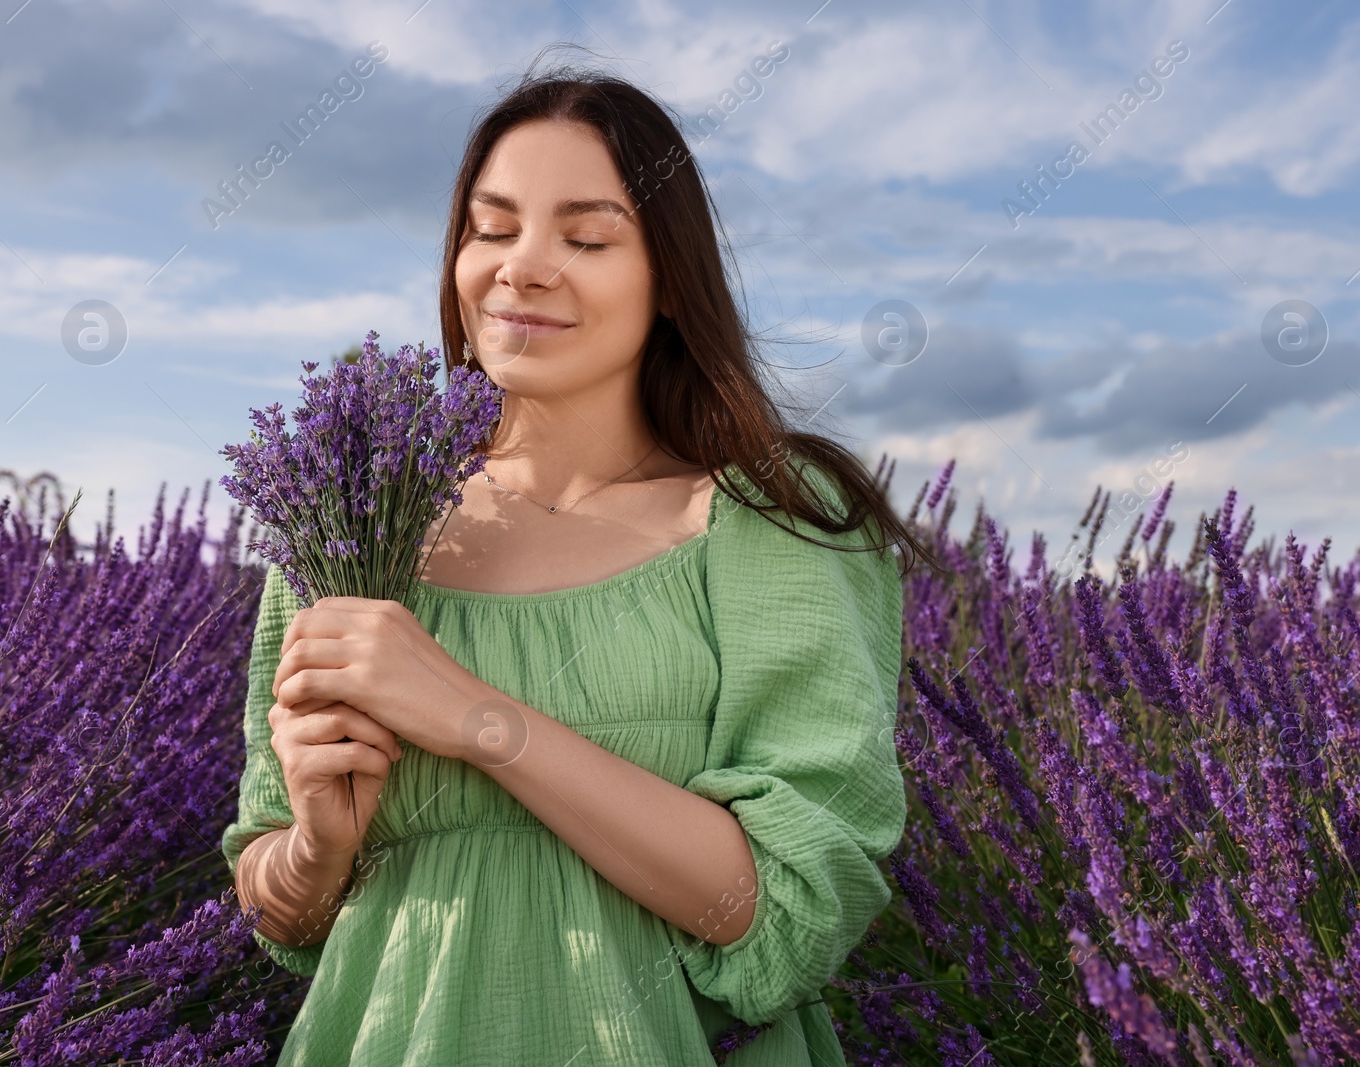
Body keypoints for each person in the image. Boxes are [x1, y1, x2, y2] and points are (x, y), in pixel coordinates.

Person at [222, 61, 940, 1067]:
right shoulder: (348, 522)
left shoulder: (765, 522)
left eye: (587, 237)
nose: (523, 266)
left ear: (670, 280)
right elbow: (277, 906)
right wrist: (316, 848)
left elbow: (791, 911)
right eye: (492, 227)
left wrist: (475, 716)